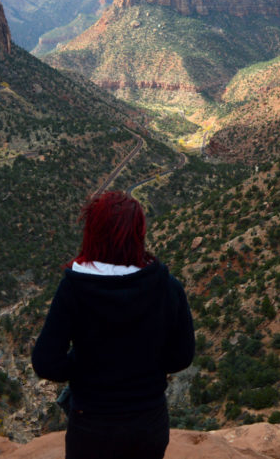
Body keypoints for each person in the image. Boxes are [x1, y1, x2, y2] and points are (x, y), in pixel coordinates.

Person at [32, 191, 195, 459]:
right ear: (139, 233)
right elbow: (181, 356)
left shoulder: (75, 287)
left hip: (92, 423)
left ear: (93, 232)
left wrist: (86, 366)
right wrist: (144, 364)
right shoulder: (167, 285)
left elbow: (46, 362)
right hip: (148, 421)